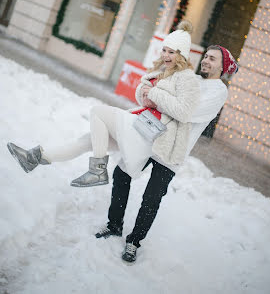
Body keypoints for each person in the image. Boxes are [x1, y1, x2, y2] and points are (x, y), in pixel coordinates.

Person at [7, 20, 205, 263]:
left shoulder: (187, 79)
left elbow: (184, 112)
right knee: (88, 139)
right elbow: (145, 98)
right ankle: (34, 158)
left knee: (99, 112)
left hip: (148, 135)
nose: (165, 55)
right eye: (164, 49)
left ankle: (98, 170)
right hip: (139, 124)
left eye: (171, 52)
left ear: (182, 55)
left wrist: (153, 94)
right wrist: (145, 93)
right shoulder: (161, 71)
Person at [92, 44, 238, 262]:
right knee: (122, 174)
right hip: (151, 136)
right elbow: (154, 95)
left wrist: (158, 98)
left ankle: (133, 242)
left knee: (152, 197)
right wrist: (151, 96)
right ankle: (114, 225)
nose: (206, 61)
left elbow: (188, 112)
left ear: (223, 65)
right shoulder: (191, 79)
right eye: (206, 56)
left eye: (213, 59)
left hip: (173, 150)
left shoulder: (219, 91)